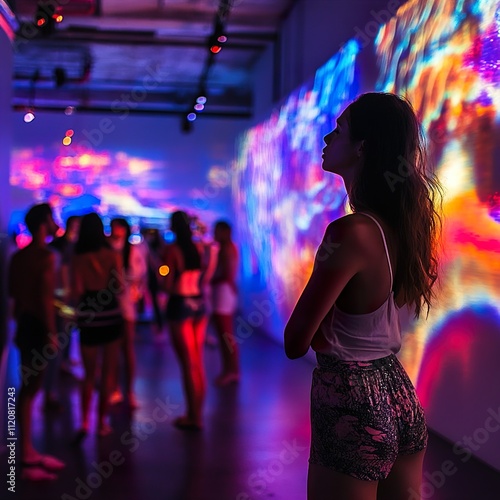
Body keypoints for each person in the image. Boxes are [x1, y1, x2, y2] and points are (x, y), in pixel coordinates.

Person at [284, 92, 442, 500]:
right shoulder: (399, 227)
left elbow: (294, 340)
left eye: (338, 131)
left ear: (361, 147)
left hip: (351, 400)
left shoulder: (349, 233)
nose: (325, 139)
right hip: (398, 392)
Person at [8, 203, 65, 480]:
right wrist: (52, 332)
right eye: (52, 219)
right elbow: (45, 298)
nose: (56, 223)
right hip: (39, 327)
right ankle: (26, 454)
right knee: (31, 390)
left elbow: (14, 294)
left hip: (23, 326)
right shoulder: (47, 257)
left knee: (26, 388)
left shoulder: (18, 257)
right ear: (44, 223)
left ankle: (25, 449)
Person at [71, 212, 124, 438]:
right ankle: (102, 422)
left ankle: (84, 422)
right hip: (111, 313)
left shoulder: (78, 257)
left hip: (89, 315)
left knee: (89, 373)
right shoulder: (112, 255)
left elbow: (77, 291)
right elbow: (118, 285)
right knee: (109, 373)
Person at [163, 211, 207, 430]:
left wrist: (161, 273)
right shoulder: (199, 247)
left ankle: (193, 416)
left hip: (180, 303)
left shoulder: (171, 251)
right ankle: (197, 414)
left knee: (187, 364)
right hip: (199, 303)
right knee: (198, 362)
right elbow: (204, 275)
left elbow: (167, 284)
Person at [108, 217, 147, 408]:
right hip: (116, 302)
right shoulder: (112, 249)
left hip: (123, 302)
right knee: (115, 349)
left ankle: (126, 390)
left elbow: (139, 273)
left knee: (125, 348)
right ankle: (117, 388)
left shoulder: (131, 250)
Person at [210, 220, 240, 386]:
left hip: (223, 292)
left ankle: (232, 371)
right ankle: (230, 370)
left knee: (226, 335)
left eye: (216, 231)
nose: (214, 234)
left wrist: (208, 280)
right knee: (225, 335)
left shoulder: (226, 249)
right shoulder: (229, 247)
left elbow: (226, 274)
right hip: (224, 292)